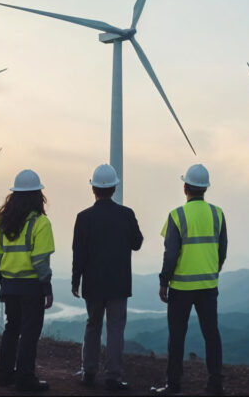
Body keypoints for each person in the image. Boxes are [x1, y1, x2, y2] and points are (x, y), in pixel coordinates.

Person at [151, 164, 227, 396]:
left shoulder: (177, 215)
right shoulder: (218, 214)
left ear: (185, 187)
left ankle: (173, 385)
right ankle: (215, 384)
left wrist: (164, 281)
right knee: (211, 335)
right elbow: (222, 250)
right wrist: (213, 270)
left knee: (177, 337)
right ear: (205, 188)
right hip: (208, 285)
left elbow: (171, 253)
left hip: (181, 288)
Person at [72, 164, 144, 391]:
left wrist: (76, 281)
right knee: (115, 329)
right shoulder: (126, 214)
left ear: (93, 188)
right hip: (119, 284)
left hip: (93, 284)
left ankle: (89, 372)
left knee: (92, 326)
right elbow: (137, 243)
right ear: (114, 188)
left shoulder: (83, 218)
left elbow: (79, 253)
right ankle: (113, 376)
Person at [0, 169, 54, 392]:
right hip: (32, 286)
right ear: (38, 195)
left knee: (12, 328)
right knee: (29, 331)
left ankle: (4, 375)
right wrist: (47, 287)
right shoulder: (40, 223)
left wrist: (2, 278)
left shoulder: (1, 224)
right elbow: (40, 261)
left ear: (14, 195)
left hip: (9, 285)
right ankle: (25, 378)